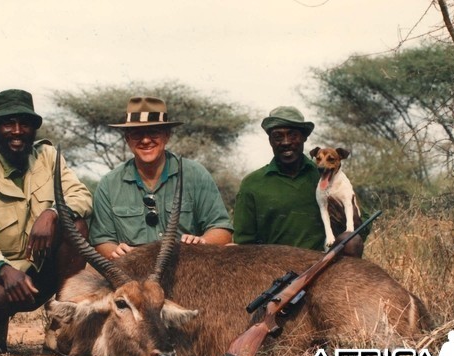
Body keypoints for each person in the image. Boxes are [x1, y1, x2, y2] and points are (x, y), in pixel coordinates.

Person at [0, 89, 93, 354]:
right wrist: (4, 271)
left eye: (25, 123)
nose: (17, 131)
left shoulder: (50, 159)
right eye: (9, 123)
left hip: (47, 270)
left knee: (75, 227)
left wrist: (52, 212)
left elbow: (82, 196)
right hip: (7, 279)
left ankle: (60, 329)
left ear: (33, 129)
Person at [89, 96, 233, 260]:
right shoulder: (109, 184)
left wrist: (202, 242)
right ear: (127, 139)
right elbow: (101, 239)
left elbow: (222, 230)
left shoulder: (195, 174)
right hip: (133, 273)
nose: (145, 140)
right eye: (137, 134)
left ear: (167, 136)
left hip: (188, 267)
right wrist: (115, 251)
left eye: (154, 133)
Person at [233, 105, 364, 257]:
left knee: (351, 241)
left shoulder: (329, 176)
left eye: (293, 135)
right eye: (278, 136)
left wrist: (352, 221)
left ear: (304, 137)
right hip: (273, 268)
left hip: (326, 265)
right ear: (270, 141)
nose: (286, 142)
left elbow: (361, 228)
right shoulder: (252, 183)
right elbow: (243, 243)